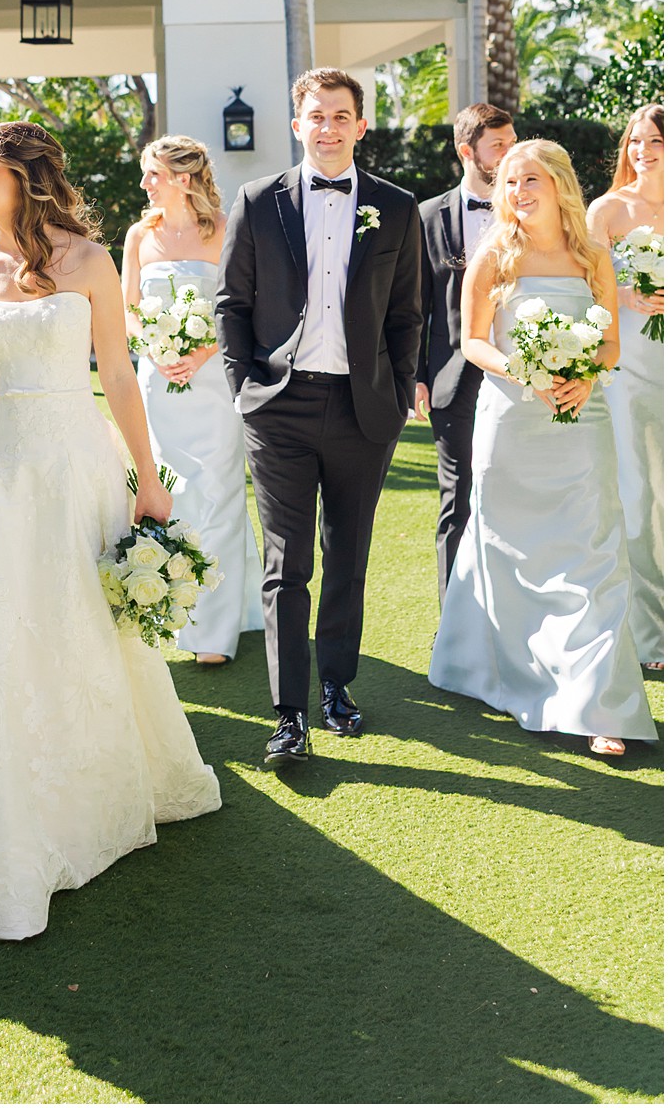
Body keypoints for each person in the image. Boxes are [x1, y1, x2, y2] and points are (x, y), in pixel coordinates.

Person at [0, 120, 221, 942]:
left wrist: (146, 477)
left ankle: (87, 792)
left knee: (80, 628)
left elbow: (116, 373)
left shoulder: (91, 261)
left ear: (24, 176)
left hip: (77, 467)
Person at [217, 67, 422, 768]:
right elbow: (232, 305)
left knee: (349, 555)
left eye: (341, 116)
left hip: (365, 407)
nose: (328, 128)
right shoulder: (256, 201)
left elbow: (407, 315)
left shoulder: (396, 208)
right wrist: (245, 386)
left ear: (360, 126)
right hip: (279, 406)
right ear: (297, 124)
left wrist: (395, 396)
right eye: (316, 116)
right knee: (286, 562)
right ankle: (290, 712)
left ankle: (337, 684)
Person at [430, 141, 655, 757]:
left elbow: (610, 346)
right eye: (508, 181)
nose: (518, 191)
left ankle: (600, 705)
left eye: (530, 179)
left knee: (595, 555)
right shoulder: (494, 256)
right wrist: (523, 371)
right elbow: (473, 341)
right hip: (510, 421)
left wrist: (584, 377)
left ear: (559, 185)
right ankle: (501, 672)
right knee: (508, 551)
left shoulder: (592, 257)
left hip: (585, 424)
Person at [122, 134, 262, 664]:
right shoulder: (141, 235)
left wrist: (203, 351)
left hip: (212, 382)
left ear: (183, 179)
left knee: (220, 493)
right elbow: (127, 309)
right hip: (157, 383)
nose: (144, 184)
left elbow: (242, 307)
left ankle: (215, 634)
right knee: (167, 494)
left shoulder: (225, 232)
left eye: (152, 174)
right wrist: (154, 348)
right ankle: (167, 613)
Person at [416, 104, 517, 603]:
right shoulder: (427, 217)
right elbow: (412, 306)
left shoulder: (530, 210)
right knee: (457, 500)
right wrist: (415, 376)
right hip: (452, 378)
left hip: (523, 375)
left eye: (511, 142)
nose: (509, 153)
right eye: (498, 145)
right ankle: (454, 622)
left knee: (515, 495)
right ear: (466, 151)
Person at [589, 104, 665, 671]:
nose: (643, 151)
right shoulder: (607, 209)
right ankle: (649, 632)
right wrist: (626, 296)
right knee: (638, 493)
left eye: (655, 140)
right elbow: (585, 278)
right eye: (635, 142)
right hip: (629, 360)